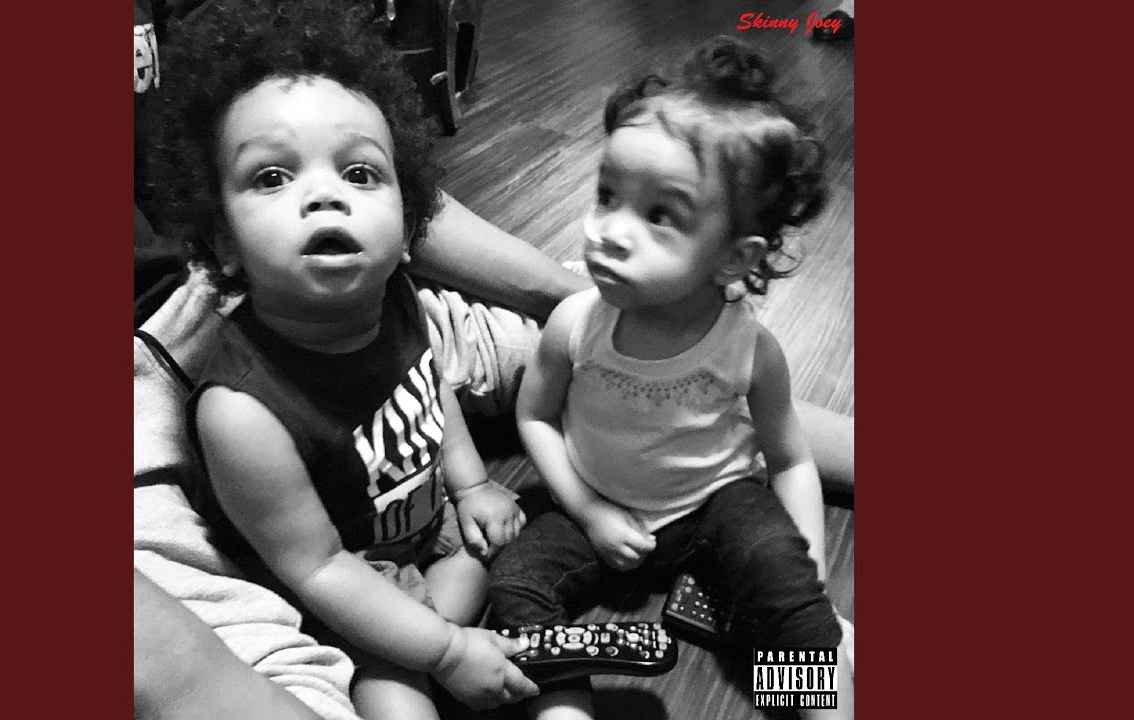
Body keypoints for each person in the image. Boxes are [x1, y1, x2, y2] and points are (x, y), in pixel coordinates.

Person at [144, 1, 539, 718]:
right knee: (397, 691)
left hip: (428, 542)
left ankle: (431, 642)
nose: (325, 194)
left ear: (408, 225)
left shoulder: (397, 298)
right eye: (272, 177)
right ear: (222, 242)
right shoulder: (240, 412)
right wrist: (446, 651)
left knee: (501, 542)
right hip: (338, 593)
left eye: (360, 173)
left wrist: (474, 482)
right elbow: (316, 566)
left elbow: (430, 388)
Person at [486, 37, 854, 720]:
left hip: (714, 503)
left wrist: (809, 579)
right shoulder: (574, 324)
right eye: (607, 195)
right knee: (514, 582)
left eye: (660, 215)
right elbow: (534, 416)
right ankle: (564, 709)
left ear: (733, 259)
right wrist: (590, 512)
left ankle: (813, 700)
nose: (609, 231)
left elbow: (791, 460)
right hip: (593, 501)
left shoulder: (751, 350)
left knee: (785, 587)